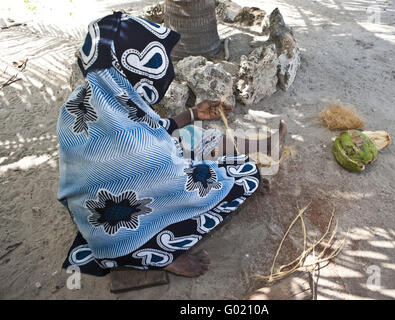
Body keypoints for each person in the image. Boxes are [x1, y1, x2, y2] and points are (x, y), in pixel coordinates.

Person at [58, 12, 286, 277]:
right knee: (242, 173)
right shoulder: (143, 148)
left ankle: (262, 146)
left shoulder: (82, 102)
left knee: (189, 138)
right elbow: (188, 187)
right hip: (123, 241)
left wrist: (194, 114)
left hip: (91, 217)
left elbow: (149, 131)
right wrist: (243, 178)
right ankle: (162, 256)